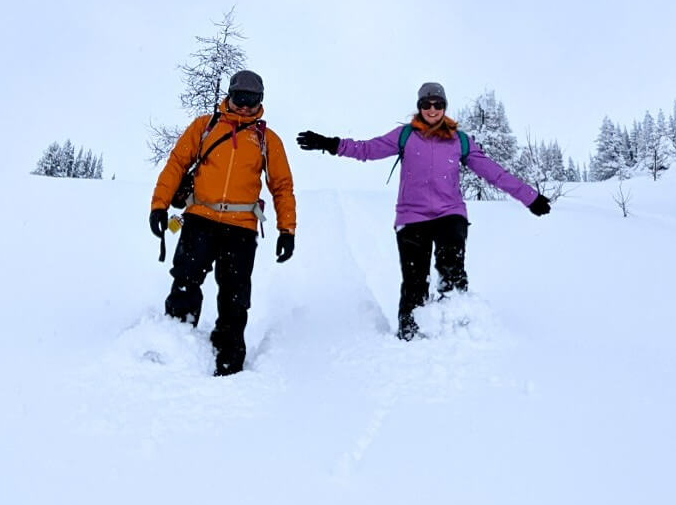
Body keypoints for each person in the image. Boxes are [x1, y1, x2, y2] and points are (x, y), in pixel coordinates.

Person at [297, 80, 550, 340]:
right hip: (411, 216)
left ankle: (457, 330)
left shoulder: (459, 141)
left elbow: (493, 173)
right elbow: (368, 150)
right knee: (415, 281)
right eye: (426, 104)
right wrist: (330, 144)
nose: (432, 109)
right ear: (419, 107)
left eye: (438, 104)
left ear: (444, 107)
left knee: (452, 268)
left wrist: (530, 198)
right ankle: (410, 336)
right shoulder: (405, 136)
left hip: (450, 213)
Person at [150, 69, 296, 376]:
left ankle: (229, 362)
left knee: (234, 296)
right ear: (229, 95)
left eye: (252, 100)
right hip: (199, 219)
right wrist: (159, 205)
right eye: (239, 98)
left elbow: (281, 185)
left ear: (261, 101)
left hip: (241, 228)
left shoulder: (267, 139)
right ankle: (176, 347)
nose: (244, 106)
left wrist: (287, 229)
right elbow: (177, 163)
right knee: (185, 282)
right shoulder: (205, 127)